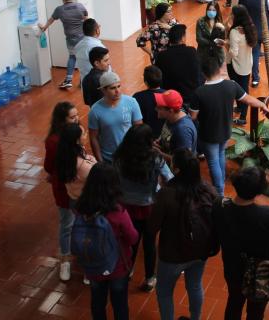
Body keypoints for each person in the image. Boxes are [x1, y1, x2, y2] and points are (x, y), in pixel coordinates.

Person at [149, 149, 219, 320]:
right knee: (195, 286)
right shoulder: (208, 190)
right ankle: (196, 317)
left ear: (177, 170)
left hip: (173, 254)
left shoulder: (166, 194)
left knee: (164, 292)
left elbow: (152, 227)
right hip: (200, 251)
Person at [213, 166, 269, 320]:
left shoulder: (220, 205)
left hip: (233, 267)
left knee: (234, 301)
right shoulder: (266, 215)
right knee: (256, 311)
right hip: (260, 272)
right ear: (259, 192)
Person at [190, 55, 267, 195]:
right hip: (226, 131)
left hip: (208, 135)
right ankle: (222, 183)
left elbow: (193, 116)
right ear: (219, 69)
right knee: (221, 154)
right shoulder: (231, 85)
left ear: (203, 73)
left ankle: (219, 192)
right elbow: (248, 100)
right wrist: (263, 104)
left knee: (213, 161)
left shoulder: (199, 92)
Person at [113, 124, 173, 292]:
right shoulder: (154, 158)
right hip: (149, 206)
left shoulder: (119, 156)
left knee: (130, 240)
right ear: (148, 141)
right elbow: (169, 177)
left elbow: (114, 180)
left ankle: (128, 270)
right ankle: (149, 278)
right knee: (149, 242)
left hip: (126, 206)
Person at [75, 163, 139, 320]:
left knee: (97, 302)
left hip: (93, 265)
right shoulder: (117, 212)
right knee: (120, 305)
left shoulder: (82, 208)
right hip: (117, 266)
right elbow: (133, 238)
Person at [44, 102, 80, 282]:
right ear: (61, 121)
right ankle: (65, 259)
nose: (77, 120)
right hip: (63, 189)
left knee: (79, 223)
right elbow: (49, 165)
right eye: (72, 117)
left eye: (77, 115)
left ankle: (81, 256)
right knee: (67, 223)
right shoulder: (53, 142)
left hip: (78, 187)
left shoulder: (76, 135)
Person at [88, 72, 144, 163]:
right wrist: (101, 162)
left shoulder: (132, 102)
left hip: (130, 157)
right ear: (103, 90)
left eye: (119, 86)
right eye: (113, 88)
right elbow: (93, 137)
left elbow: (139, 130)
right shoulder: (95, 111)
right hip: (108, 159)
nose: (117, 91)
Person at [39, 0, 89, 89]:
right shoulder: (80, 6)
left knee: (72, 57)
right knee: (84, 58)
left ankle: (68, 81)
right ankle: (83, 81)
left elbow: (51, 20)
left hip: (71, 38)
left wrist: (44, 27)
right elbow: (87, 21)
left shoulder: (59, 9)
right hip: (82, 37)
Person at [156, 24, 204, 105]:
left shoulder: (162, 55)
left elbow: (159, 80)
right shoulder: (191, 51)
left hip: (170, 98)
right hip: (190, 97)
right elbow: (198, 73)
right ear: (182, 38)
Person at [227, 5, 256, 126]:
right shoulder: (250, 28)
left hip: (235, 65)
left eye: (232, 14)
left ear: (237, 16)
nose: (231, 15)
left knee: (239, 90)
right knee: (244, 89)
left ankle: (242, 116)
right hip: (247, 63)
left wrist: (225, 45)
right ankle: (241, 111)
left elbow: (234, 53)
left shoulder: (234, 32)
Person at [56, 122, 97, 204]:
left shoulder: (65, 153)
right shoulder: (83, 166)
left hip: (73, 196)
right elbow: (97, 179)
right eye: (83, 134)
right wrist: (93, 161)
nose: (86, 135)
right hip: (86, 201)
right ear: (77, 140)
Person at [155, 90, 198, 155]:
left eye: (159, 108)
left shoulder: (183, 131)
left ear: (170, 111)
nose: (156, 109)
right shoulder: (171, 117)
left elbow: (183, 162)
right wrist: (159, 142)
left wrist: (160, 153)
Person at [132, 65, 166, 139]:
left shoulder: (137, 97)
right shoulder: (168, 95)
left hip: (145, 137)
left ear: (146, 82)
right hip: (164, 136)